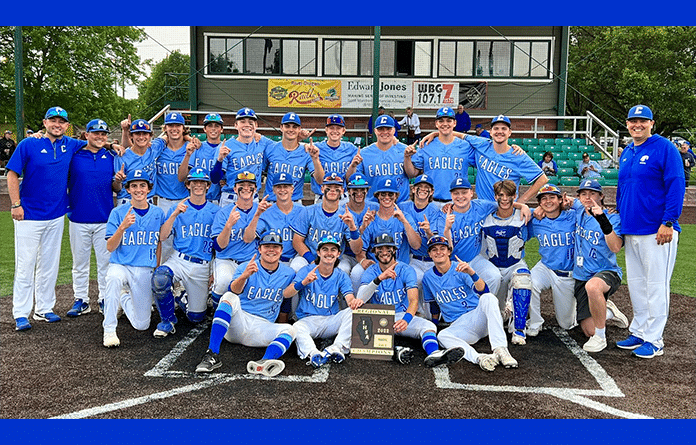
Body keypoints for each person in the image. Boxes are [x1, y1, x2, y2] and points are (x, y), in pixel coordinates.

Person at [7, 107, 88, 331]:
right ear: (45, 122)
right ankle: (21, 313)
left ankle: (44, 309)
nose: (57, 124)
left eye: (62, 121)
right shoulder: (28, 144)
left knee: (49, 264)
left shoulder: (70, 144)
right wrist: (16, 204)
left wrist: (113, 144)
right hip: (29, 214)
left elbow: (93, 143)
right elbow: (12, 173)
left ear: (66, 125)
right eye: (53, 120)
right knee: (25, 265)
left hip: (56, 214)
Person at [616, 105, 685, 359]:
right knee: (636, 285)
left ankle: (655, 339)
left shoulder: (664, 147)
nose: (638, 125)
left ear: (652, 123)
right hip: (632, 229)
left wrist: (669, 221)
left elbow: (676, 183)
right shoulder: (627, 152)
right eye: (633, 121)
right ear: (627, 124)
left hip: (657, 230)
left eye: (642, 121)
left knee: (656, 285)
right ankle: (640, 330)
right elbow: (623, 189)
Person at [356, 233, 466, 367]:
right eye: (380, 249)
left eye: (388, 248)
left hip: (401, 315)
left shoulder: (406, 269)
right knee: (358, 327)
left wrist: (406, 320)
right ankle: (395, 350)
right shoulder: (371, 271)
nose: (384, 252)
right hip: (380, 316)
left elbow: (413, 300)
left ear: (394, 250)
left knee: (429, 326)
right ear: (374, 252)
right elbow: (360, 298)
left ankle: (434, 354)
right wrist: (380, 278)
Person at [195, 232, 297, 377]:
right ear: (259, 249)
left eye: (275, 247)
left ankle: (265, 362)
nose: (271, 250)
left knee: (291, 330)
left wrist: (281, 326)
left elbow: (285, 304)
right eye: (267, 246)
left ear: (281, 250)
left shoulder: (289, 273)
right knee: (229, 297)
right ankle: (212, 354)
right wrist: (245, 276)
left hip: (262, 327)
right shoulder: (246, 266)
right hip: (239, 323)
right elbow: (234, 290)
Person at [421, 235, 518, 372]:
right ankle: (480, 358)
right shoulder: (428, 277)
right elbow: (433, 305)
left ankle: (501, 349)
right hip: (460, 326)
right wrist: (434, 325)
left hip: (478, 316)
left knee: (488, 298)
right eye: (434, 250)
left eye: (442, 248)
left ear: (449, 251)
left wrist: (471, 273)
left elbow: (484, 290)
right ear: (430, 254)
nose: (439, 252)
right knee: (442, 336)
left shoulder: (460, 268)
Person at [150, 168, 220, 337]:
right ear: (188, 185)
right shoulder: (178, 207)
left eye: (202, 182)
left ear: (208, 186)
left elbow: (218, 245)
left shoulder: (215, 211)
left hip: (203, 265)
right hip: (179, 259)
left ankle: (181, 295)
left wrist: (214, 271)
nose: (198, 185)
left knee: (196, 318)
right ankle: (167, 320)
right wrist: (174, 214)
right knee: (160, 278)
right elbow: (163, 236)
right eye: (194, 182)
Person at [102, 169, 166, 347]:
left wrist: (157, 266)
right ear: (128, 189)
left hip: (144, 267)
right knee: (113, 279)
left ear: (149, 189)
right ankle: (109, 330)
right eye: (134, 186)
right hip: (121, 264)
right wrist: (122, 228)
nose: (139, 189)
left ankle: (124, 298)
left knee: (142, 324)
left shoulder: (158, 213)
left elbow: (159, 242)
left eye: (142, 186)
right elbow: (110, 247)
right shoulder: (118, 212)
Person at [439, 177, 530, 297]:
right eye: (456, 193)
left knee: (494, 276)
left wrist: (523, 206)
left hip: (475, 258)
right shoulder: (444, 215)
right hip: (453, 262)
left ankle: (483, 308)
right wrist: (447, 229)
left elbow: (504, 202)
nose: (460, 196)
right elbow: (445, 249)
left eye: (464, 192)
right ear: (451, 195)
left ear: (471, 193)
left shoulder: (481, 206)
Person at [66, 119, 120, 317]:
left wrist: (118, 181)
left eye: (103, 134)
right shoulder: (75, 155)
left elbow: (116, 188)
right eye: (95, 133)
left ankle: (104, 298)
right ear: (86, 135)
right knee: (79, 263)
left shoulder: (111, 156)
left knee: (105, 263)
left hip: (105, 218)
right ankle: (81, 299)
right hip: (78, 217)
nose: (100, 137)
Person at [569, 179, 629, 353]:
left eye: (593, 193)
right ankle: (608, 311)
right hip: (582, 275)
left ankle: (601, 338)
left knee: (593, 286)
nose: (588, 197)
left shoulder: (612, 217)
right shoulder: (579, 209)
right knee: (588, 330)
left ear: (601, 196)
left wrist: (602, 220)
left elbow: (616, 247)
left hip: (606, 271)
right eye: (584, 194)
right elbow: (565, 201)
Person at [480, 180, 533, 345]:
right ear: (495, 196)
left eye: (509, 195)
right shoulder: (484, 218)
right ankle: (505, 312)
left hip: (514, 264)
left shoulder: (524, 216)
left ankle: (519, 329)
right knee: (495, 309)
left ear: (515, 196)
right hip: (492, 267)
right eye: (501, 195)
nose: (505, 199)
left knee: (523, 278)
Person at [292, 235, 355, 367]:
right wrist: (303, 282)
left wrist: (354, 302)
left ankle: (337, 348)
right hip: (308, 320)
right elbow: (287, 294)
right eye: (325, 249)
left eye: (333, 250)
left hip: (330, 320)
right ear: (318, 252)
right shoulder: (307, 270)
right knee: (297, 328)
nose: (329, 253)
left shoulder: (341, 275)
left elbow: (349, 297)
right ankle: (313, 353)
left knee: (352, 312)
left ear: (338, 253)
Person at [351, 177, 422, 292]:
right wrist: (362, 260)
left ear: (396, 196)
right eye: (383, 194)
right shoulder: (371, 218)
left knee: (418, 277)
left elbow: (416, 245)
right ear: (377, 196)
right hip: (376, 266)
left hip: (400, 265)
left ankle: (415, 309)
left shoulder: (404, 216)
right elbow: (359, 251)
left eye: (390, 194)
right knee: (356, 273)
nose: (387, 197)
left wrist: (404, 221)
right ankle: (356, 306)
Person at [527, 184, 578, 336]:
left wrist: (572, 200)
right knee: (528, 282)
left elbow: (586, 206)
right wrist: (527, 209)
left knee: (566, 324)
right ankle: (535, 323)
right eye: (544, 199)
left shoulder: (573, 215)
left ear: (560, 199)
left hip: (566, 273)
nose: (548, 201)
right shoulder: (536, 219)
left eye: (552, 197)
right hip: (546, 267)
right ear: (539, 203)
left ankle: (604, 308)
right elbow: (511, 210)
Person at [290, 172, 363, 277]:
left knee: (344, 269)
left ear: (342, 190)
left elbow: (357, 250)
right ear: (322, 189)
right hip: (310, 255)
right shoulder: (308, 211)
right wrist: (312, 260)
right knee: (296, 267)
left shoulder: (347, 216)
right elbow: (297, 241)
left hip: (336, 258)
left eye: (336, 187)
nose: (332, 190)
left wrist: (352, 228)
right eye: (329, 186)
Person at [404, 107, 476, 207]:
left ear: (454, 123)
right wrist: (407, 157)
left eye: (449, 121)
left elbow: (485, 147)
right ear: (436, 123)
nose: (445, 124)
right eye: (441, 121)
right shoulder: (426, 145)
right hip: (431, 203)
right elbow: (412, 173)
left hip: (457, 203)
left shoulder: (465, 146)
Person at [210, 171, 261, 309]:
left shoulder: (260, 210)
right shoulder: (224, 212)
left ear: (255, 189)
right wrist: (228, 226)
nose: (246, 188)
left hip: (250, 260)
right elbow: (219, 247)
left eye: (250, 185)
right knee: (223, 283)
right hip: (227, 259)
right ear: (234, 188)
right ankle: (217, 314)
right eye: (241, 185)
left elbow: (248, 239)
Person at [155, 112, 197, 263]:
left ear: (183, 128)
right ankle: (163, 280)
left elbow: (183, 178)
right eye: (170, 125)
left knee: (184, 240)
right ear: (165, 128)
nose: (174, 129)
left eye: (177, 125)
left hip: (184, 199)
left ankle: (180, 281)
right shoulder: (159, 147)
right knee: (165, 242)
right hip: (164, 201)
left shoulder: (191, 147)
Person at [212, 107, 271, 207]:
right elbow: (214, 179)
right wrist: (220, 160)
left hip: (253, 198)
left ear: (256, 126)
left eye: (251, 122)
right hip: (231, 198)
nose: (247, 125)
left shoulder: (263, 143)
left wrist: (302, 142)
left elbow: (284, 147)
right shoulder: (225, 146)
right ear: (236, 125)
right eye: (242, 122)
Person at [244, 172, 304, 269]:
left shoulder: (303, 211)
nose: (282, 190)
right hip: (273, 261)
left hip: (296, 259)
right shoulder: (266, 212)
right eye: (279, 187)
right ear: (274, 190)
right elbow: (247, 238)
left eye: (286, 186)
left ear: (292, 189)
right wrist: (257, 214)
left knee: (298, 267)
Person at [263, 112, 324, 204]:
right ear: (281, 127)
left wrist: (315, 159)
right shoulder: (270, 148)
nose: (291, 129)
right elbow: (260, 171)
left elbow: (320, 180)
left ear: (299, 129)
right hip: (272, 202)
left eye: (294, 127)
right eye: (287, 126)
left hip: (294, 202)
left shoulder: (306, 151)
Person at [352, 114, 410, 204]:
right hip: (373, 205)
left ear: (394, 130)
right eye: (381, 129)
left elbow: (413, 174)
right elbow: (355, 180)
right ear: (375, 131)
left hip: (400, 204)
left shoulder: (404, 150)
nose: (385, 132)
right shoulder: (364, 153)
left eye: (388, 129)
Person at [115, 117, 166, 206]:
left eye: (145, 134)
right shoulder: (121, 156)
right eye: (137, 134)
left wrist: (188, 138)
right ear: (131, 136)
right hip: (127, 201)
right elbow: (116, 188)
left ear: (150, 136)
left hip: (148, 201)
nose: (141, 137)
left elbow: (169, 136)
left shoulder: (154, 148)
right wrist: (118, 181)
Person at [311, 114, 358, 204]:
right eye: (331, 128)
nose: (335, 131)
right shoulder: (316, 148)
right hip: (322, 197)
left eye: (338, 128)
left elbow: (350, 179)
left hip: (343, 198)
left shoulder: (351, 149)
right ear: (326, 130)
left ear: (343, 131)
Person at [179, 113, 225, 204]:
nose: (213, 129)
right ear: (204, 129)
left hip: (219, 199)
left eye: (217, 126)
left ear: (221, 129)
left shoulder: (225, 148)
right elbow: (182, 176)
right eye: (210, 126)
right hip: (197, 198)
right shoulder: (197, 147)